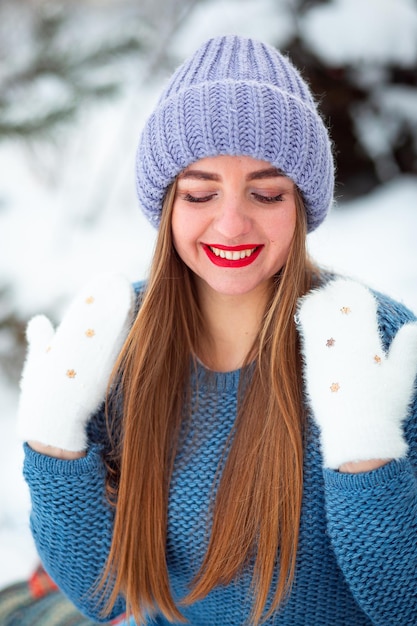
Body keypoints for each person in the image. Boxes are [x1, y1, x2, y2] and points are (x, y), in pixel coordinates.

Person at [16, 35, 417, 626]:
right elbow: (106, 598)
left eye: (266, 192)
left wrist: (367, 453)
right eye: (201, 193)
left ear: (302, 205)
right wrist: (52, 442)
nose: (231, 224)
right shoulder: (109, 343)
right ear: (167, 206)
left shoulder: (379, 346)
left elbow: (404, 606)